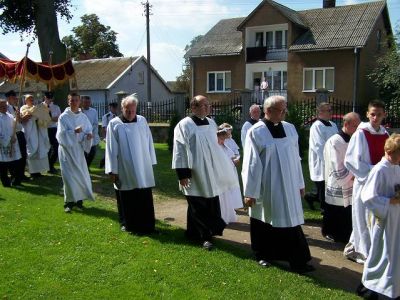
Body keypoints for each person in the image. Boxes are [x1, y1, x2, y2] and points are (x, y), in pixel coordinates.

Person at [242, 95, 313, 273]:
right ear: (268, 111)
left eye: (284, 109)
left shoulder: (290, 129)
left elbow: (296, 159)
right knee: (264, 219)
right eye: (281, 110)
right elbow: (251, 163)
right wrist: (250, 192)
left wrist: (299, 183)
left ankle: (298, 259)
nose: (284, 113)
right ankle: (262, 254)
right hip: (267, 185)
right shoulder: (256, 131)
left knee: (290, 221)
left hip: (288, 183)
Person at [172, 95, 239, 250]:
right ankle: (205, 237)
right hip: (194, 171)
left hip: (211, 170)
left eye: (208, 105)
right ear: (193, 107)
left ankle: (192, 233)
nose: (208, 108)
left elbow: (215, 147)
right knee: (197, 203)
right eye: (204, 105)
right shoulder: (184, 125)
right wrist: (182, 174)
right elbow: (179, 150)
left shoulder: (211, 123)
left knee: (209, 202)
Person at [344, 100, 389, 263]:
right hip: (365, 183)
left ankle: (369, 248)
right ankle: (364, 252)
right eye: (372, 114)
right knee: (362, 218)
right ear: (367, 115)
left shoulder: (385, 134)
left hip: (380, 185)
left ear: (384, 115)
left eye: (378, 114)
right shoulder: (360, 133)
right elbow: (351, 160)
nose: (375, 118)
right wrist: (374, 171)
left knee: (375, 218)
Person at [105, 95, 157, 234]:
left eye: (133, 111)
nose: (131, 114)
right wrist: (112, 170)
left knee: (144, 195)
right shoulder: (114, 124)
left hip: (142, 164)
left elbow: (148, 141)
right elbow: (110, 148)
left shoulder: (142, 121)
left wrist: (150, 161)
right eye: (128, 111)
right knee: (127, 196)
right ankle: (128, 224)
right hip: (124, 166)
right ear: (122, 109)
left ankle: (148, 225)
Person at [356, 134, 400, 299]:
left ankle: (391, 286)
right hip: (384, 218)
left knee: (394, 252)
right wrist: (389, 202)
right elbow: (367, 197)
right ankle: (370, 284)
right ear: (390, 151)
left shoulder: (396, 167)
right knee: (382, 252)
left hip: (396, 217)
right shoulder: (379, 170)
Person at [322, 112, 360, 243]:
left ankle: (345, 234)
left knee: (347, 210)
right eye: (355, 126)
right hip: (338, 180)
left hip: (352, 180)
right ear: (346, 124)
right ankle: (329, 232)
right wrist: (353, 175)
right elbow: (336, 164)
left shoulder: (355, 139)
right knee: (335, 208)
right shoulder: (335, 141)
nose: (357, 129)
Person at [56, 93, 94, 213]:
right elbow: (60, 135)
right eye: (72, 100)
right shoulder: (63, 117)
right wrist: (73, 132)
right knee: (68, 176)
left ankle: (79, 201)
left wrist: (88, 137)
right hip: (66, 151)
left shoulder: (83, 117)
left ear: (79, 102)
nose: (74, 102)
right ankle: (69, 202)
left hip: (77, 150)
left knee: (79, 175)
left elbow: (88, 131)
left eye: (76, 100)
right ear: (68, 102)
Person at [307, 102, 338, 211]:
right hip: (321, 161)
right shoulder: (317, 126)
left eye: (331, 110)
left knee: (326, 187)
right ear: (320, 112)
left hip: (333, 159)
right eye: (328, 110)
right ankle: (324, 210)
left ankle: (309, 197)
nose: (331, 112)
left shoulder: (333, 125)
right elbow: (318, 146)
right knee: (322, 186)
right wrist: (328, 160)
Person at [217, 125, 242, 224]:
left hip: (227, 176)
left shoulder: (225, 147)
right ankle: (220, 215)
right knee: (220, 197)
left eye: (224, 139)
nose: (223, 141)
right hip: (219, 176)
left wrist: (235, 160)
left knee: (227, 196)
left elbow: (232, 156)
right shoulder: (215, 148)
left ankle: (227, 214)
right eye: (221, 138)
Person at [20, 94, 50, 177]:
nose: (31, 100)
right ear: (25, 100)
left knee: (39, 150)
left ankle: (38, 171)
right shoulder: (23, 108)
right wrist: (33, 115)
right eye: (29, 99)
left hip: (38, 130)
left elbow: (43, 115)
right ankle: (32, 171)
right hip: (30, 132)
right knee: (32, 148)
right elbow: (25, 117)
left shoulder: (37, 107)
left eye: (32, 99)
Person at [6, 90, 28, 184]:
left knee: (23, 154)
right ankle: (14, 175)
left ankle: (21, 174)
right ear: (9, 98)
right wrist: (19, 118)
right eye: (14, 97)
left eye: (15, 97)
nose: (15, 99)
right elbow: (10, 121)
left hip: (20, 132)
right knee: (15, 155)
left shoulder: (15, 107)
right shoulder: (6, 108)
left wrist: (23, 118)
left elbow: (19, 121)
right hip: (13, 134)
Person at [0, 99, 21, 187]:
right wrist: (8, 140)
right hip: (3, 144)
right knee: (3, 165)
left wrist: (18, 119)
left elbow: (18, 128)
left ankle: (15, 180)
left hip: (13, 142)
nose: (5, 108)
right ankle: (6, 182)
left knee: (14, 163)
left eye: (6, 106)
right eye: (2, 106)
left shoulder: (10, 116)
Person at [43, 91, 61, 174]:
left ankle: (50, 165)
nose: (49, 100)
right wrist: (51, 118)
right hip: (44, 129)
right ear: (45, 98)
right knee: (46, 149)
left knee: (56, 147)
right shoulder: (40, 107)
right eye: (47, 98)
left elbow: (58, 118)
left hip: (53, 129)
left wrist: (49, 118)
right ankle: (46, 166)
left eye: (50, 98)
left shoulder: (56, 107)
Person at [81, 96, 100, 168]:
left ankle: (87, 166)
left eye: (88, 102)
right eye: (85, 102)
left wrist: (92, 131)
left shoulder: (94, 111)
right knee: (84, 153)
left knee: (93, 152)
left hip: (92, 134)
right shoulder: (80, 111)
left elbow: (95, 123)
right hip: (83, 135)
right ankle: (84, 168)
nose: (87, 104)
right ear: (82, 102)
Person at [99, 102, 118, 168]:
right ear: (110, 108)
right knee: (109, 151)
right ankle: (103, 163)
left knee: (116, 151)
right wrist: (104, 137)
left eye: (115, 108)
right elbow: (104, 127)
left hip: (116, 136)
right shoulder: (106, 116)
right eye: (113, 108)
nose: (114, 109)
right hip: (109, 136)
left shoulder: (118, 116)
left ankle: (114, 165)